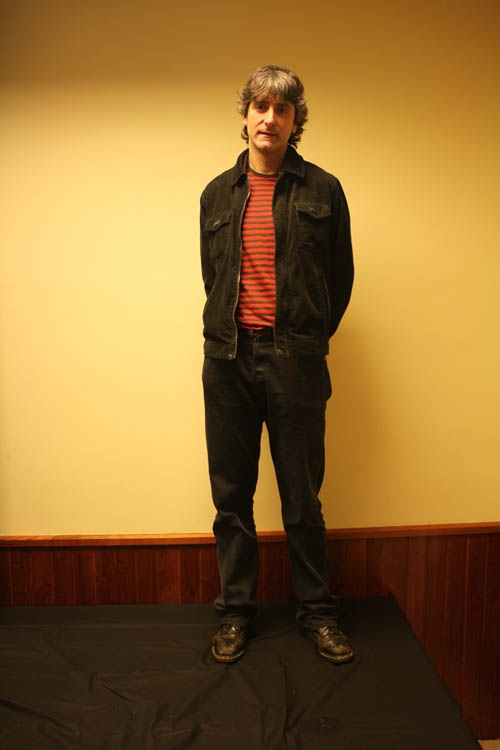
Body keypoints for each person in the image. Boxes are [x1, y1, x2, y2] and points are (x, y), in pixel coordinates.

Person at [200, 64, 354, 664]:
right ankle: (235, 614)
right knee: (232, 499)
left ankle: (318, 614)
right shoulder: (216, 194)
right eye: (260, 107)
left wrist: (303, 338)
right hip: (227, 361)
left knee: (302, 499)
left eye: (282, 109)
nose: (270, 118)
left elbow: (339, 280)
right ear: (245, 117)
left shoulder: (324, 190)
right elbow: (213, 277)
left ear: (295, 122)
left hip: (297, 363)